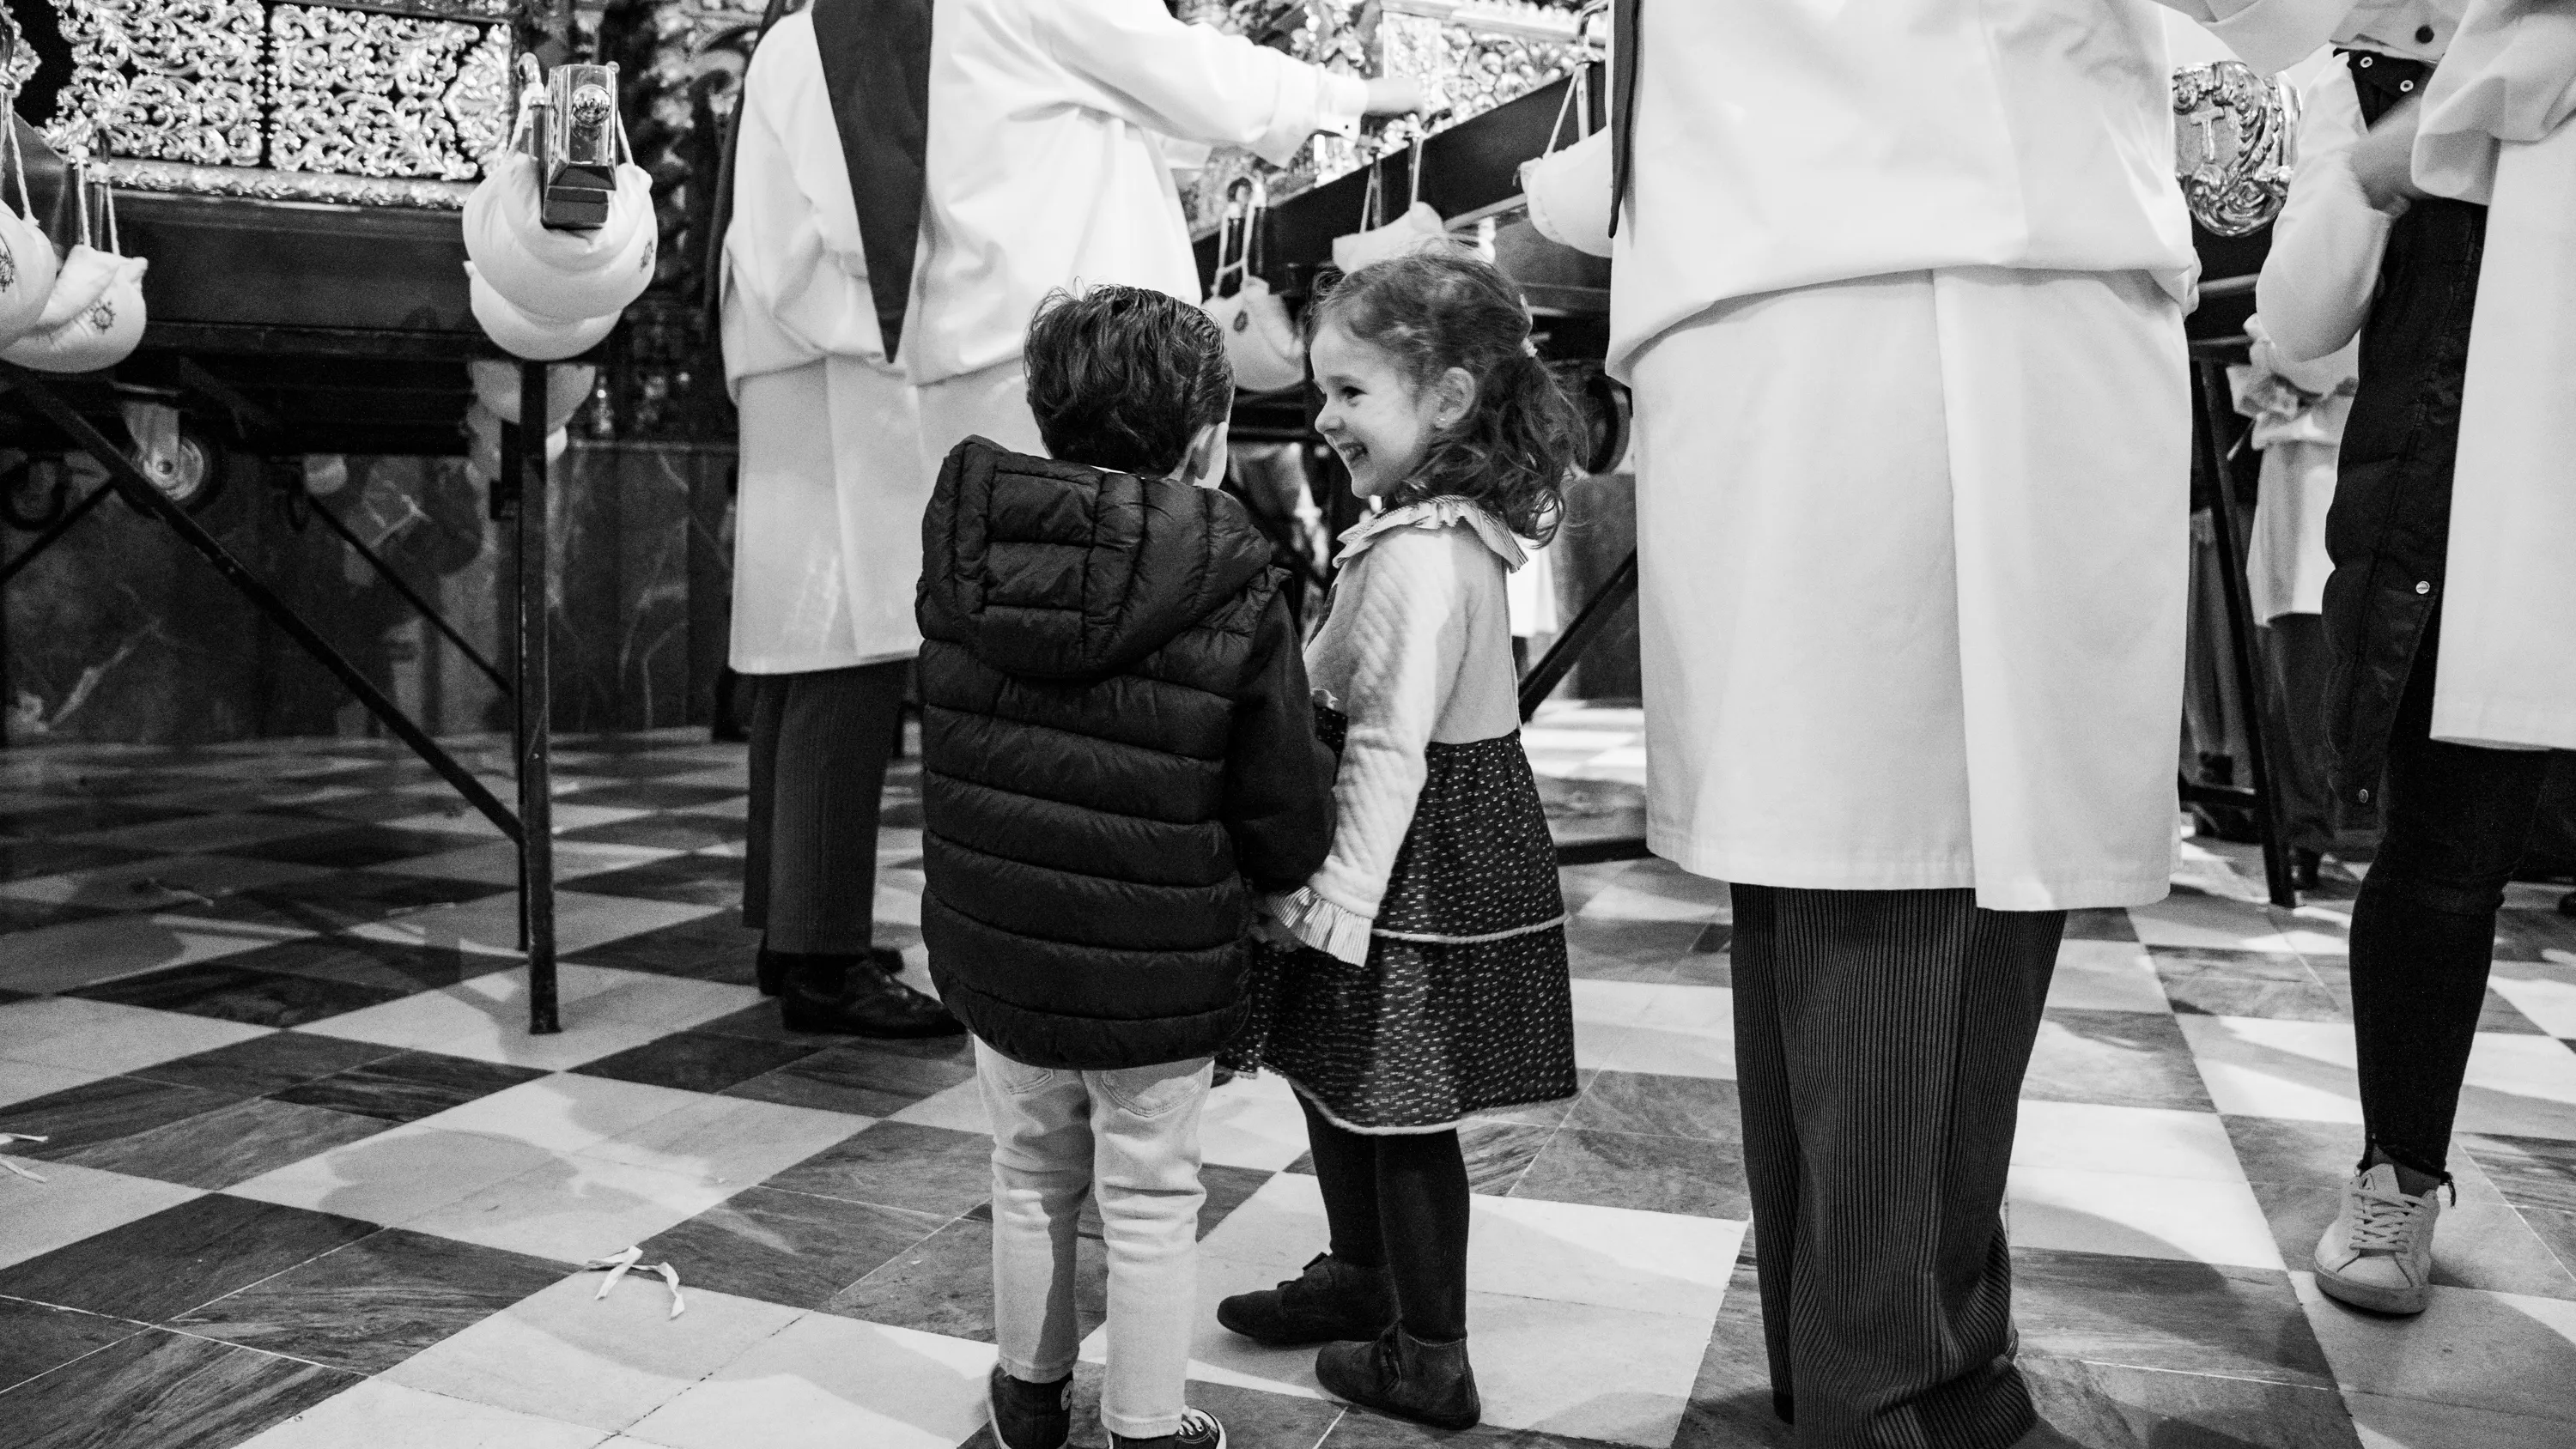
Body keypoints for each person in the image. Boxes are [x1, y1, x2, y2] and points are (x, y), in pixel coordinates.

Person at [1574, 1, 2388, 1443]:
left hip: (1791, 274)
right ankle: (1909, 1386)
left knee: (1835, 874)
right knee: (1926, 865)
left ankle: (1866, 1356)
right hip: (1948, 283)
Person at [915, 285, 1337, 1449]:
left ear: (1047, 415)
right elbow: (1276, 788)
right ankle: (1148, 1427)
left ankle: (1029, 1400)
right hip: (1156, 961)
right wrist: (1289, 869)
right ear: (1206, 437)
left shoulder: (968, 551)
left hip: (996, 932)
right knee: (1152, 1194)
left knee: (1028, 1171)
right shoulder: (1232, 569)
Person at [1215, 252, 1583, 1432]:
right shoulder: (1427, 528)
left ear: (1449, 398)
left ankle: (1431, 1353)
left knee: (1403, 1104)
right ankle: (1361, 1275)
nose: (1323, 419)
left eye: (1352, 391)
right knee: (1337, 1076)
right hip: (1412, 851)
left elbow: (1388, 746)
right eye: (1321, 391)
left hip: (1409, 858)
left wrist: (1335, 897)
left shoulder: (1422, 554)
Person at [2253, 5, 2561, 1317]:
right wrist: (2380, 159)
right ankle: (2399, 1173)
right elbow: (2299, 318)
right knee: (2442, 863)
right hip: (2464, 518)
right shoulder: (2383, 78)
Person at [719, 0, 958, 1037]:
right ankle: (822, 962)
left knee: (800, 660)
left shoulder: (796, 30)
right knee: (844, 656)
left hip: (798, 357)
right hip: (834, 360)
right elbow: (866, 219)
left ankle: (794, 927)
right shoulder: (846, 31)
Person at [898, 0, 1421, 465]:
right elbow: (1173, 65)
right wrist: (1350, 96)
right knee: (1106, 545)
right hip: (1075, 348)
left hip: (976, 325)